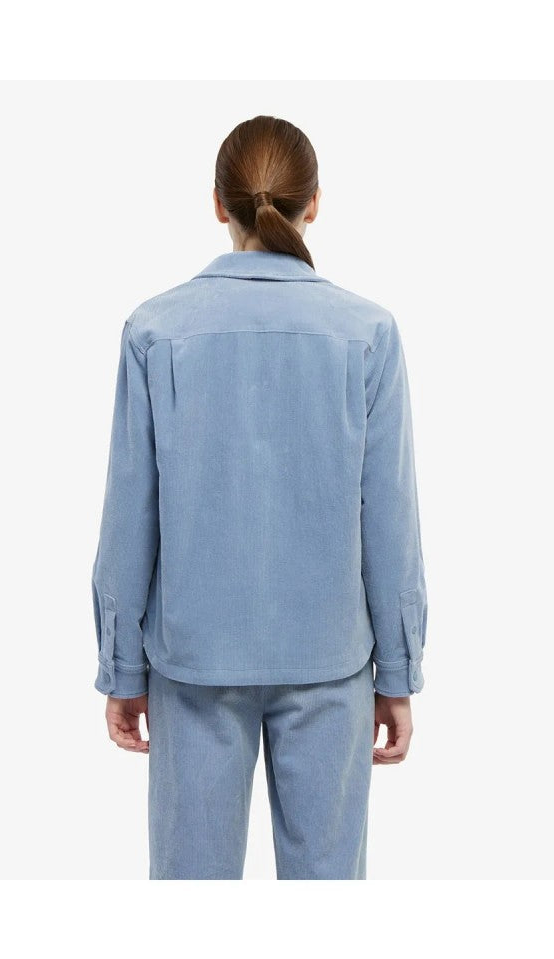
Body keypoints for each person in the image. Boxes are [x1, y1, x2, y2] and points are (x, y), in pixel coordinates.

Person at [91, 115, 428, 880]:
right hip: (330, 663)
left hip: (194, 662)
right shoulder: (367, 333)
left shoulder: (156, 330)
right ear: (316, 204)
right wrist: (398, 672)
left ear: (218, 204)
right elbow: (390, 520)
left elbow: (130, 512)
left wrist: (122, 668)